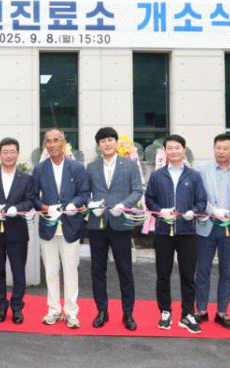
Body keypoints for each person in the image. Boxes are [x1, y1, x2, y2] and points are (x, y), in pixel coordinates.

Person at [145, 134, 207, 334]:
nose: (173, 151)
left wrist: (193, 212)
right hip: (163, 231)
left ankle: (187, 314)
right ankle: (165, 311)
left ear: (184, 150)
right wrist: (160, 210)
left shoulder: (194, 176)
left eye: (177, 147)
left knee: (188, 275)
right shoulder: (157, 175)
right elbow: (149, 199)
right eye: (169, 148)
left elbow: (202, 201)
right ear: (165, 151)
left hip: (187, 232)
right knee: (163, 274)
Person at [86, 127, 143, 330]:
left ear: (116, 142)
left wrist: (124, 205)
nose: (107, 144)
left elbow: (137, 190)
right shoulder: (91, 167)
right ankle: (102, 311)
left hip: (121, 224)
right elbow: (84, 192)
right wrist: (91, 204)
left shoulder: (129, 165)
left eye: (110, 140)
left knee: (125, 271)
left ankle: (128, 313)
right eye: (103, 141)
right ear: (98, 145)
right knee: (97, 270)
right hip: (98, 225)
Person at [33, 129, 89, 329]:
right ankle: (54, 309)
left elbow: (84, 193)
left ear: (64, 143)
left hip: (70, 227)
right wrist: (43, 207)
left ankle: (71, 312)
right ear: (45, 145)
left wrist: (75, 203)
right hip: (48, 226)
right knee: (50, 271)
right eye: (48, 141)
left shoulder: (76, 167)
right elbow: (33, 196)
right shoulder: (39, 169)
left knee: (70, 271)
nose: (52, 144)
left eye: (56, 140)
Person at [195, 133, 230, 330]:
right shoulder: (202, 170)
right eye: (218, 148)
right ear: (214, 149)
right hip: (207, 227)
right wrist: (213, 210)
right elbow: (199, 197)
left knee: (227, 272)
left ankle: (222, 311)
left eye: (225, 148)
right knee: (203, 270)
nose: (221, 151)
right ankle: (201, 310)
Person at [0, 137, 34, 325]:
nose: (9, 156)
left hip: (17, 231)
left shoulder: (26, 178)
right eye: (5, 152)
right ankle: (1, 305)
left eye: (12, 152)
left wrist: (17, 209)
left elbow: (30, 201)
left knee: (18, 271)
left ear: (17, 154)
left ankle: (17, 306)